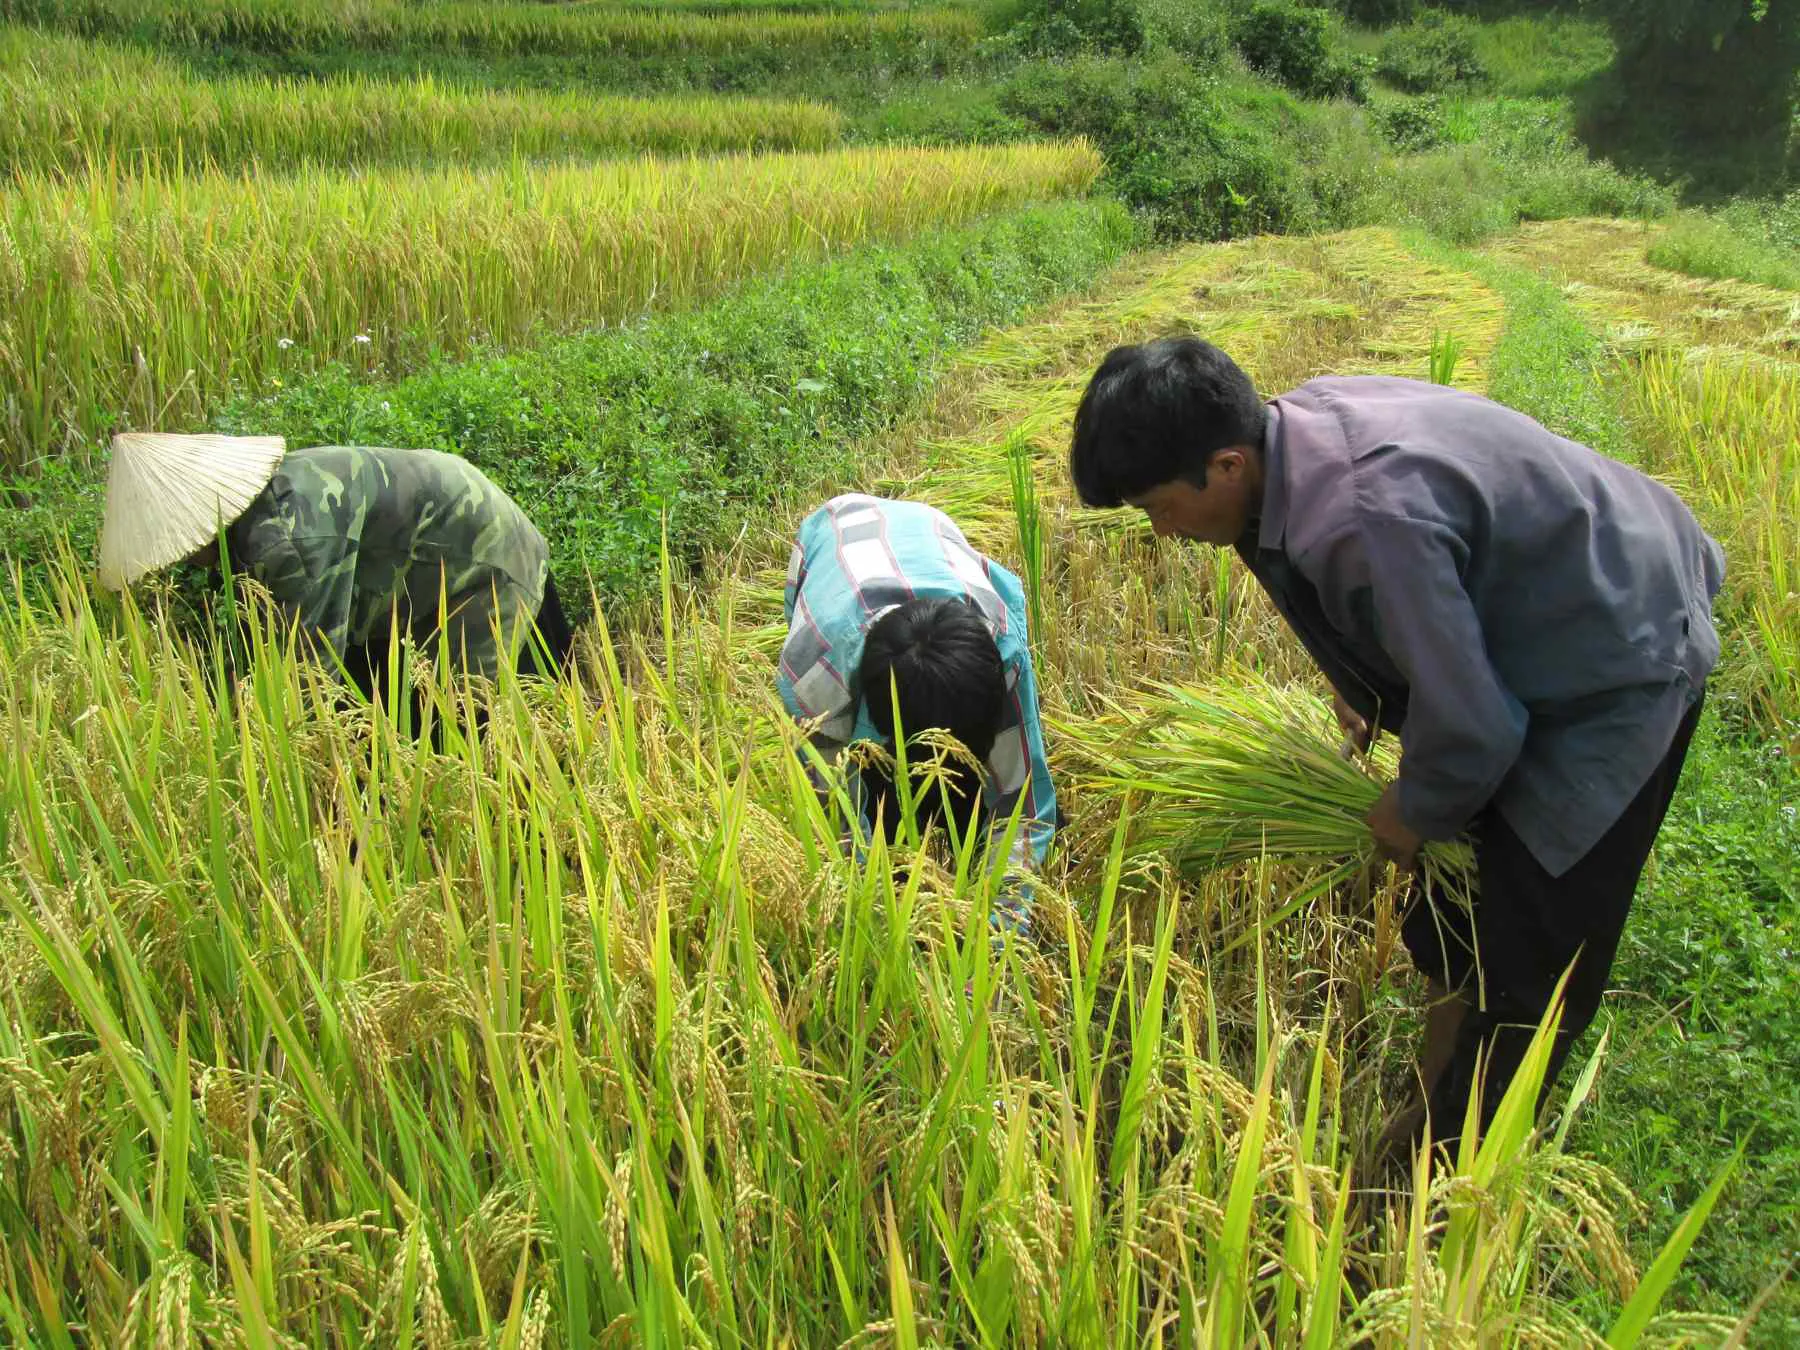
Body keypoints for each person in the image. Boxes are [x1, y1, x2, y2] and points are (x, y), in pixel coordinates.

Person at [1067, 337, 1724, 1160]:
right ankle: (1433, 1086)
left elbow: (1478, 726)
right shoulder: (1286, 441)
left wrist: (1414, 808)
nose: (1160, 531)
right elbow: (1364, 599)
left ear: (1226, 465)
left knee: (1531, 948)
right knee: (1452, 908)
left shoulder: (1365, 519)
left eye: (1156, 506)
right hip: (1551, 605)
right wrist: (1367, 681)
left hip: (1624, 645)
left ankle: (1447, 1174)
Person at [97, 434, 574, 701]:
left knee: (470, 718)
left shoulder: (289, 542)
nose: (178, 560)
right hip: (420, 555)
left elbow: (313, 675)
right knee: (393, 696)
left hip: (483, 558)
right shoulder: (256, 513)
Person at [779, 493, 1058, 938]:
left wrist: (998, 931)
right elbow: (833, 812)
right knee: (871, 788)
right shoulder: (816, 674)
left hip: (931, 535)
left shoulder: (1001, 653)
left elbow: (1023, 805)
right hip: (835, 535)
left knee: (970, 797)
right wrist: (880, 921)